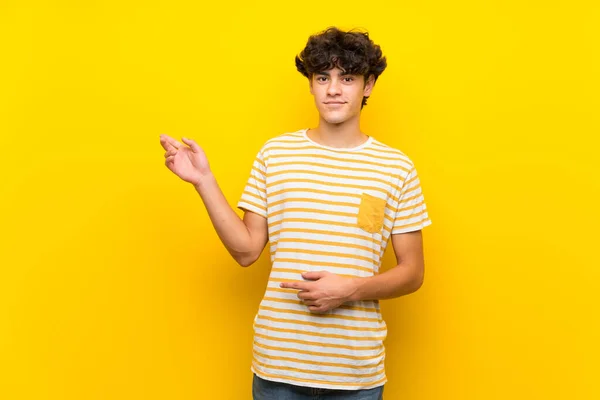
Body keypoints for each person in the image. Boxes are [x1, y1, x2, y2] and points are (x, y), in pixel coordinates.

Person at [159, 26, 431, 400]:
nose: (333, 89)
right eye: (323, 78)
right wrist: (203, 180)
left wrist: (349, 289)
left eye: (347, 78)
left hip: (356, 375)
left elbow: (412, 272)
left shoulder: (396, 168)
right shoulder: (276, 154)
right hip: (278, 370)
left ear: (367, 86)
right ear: (311, 84)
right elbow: (246, 251)